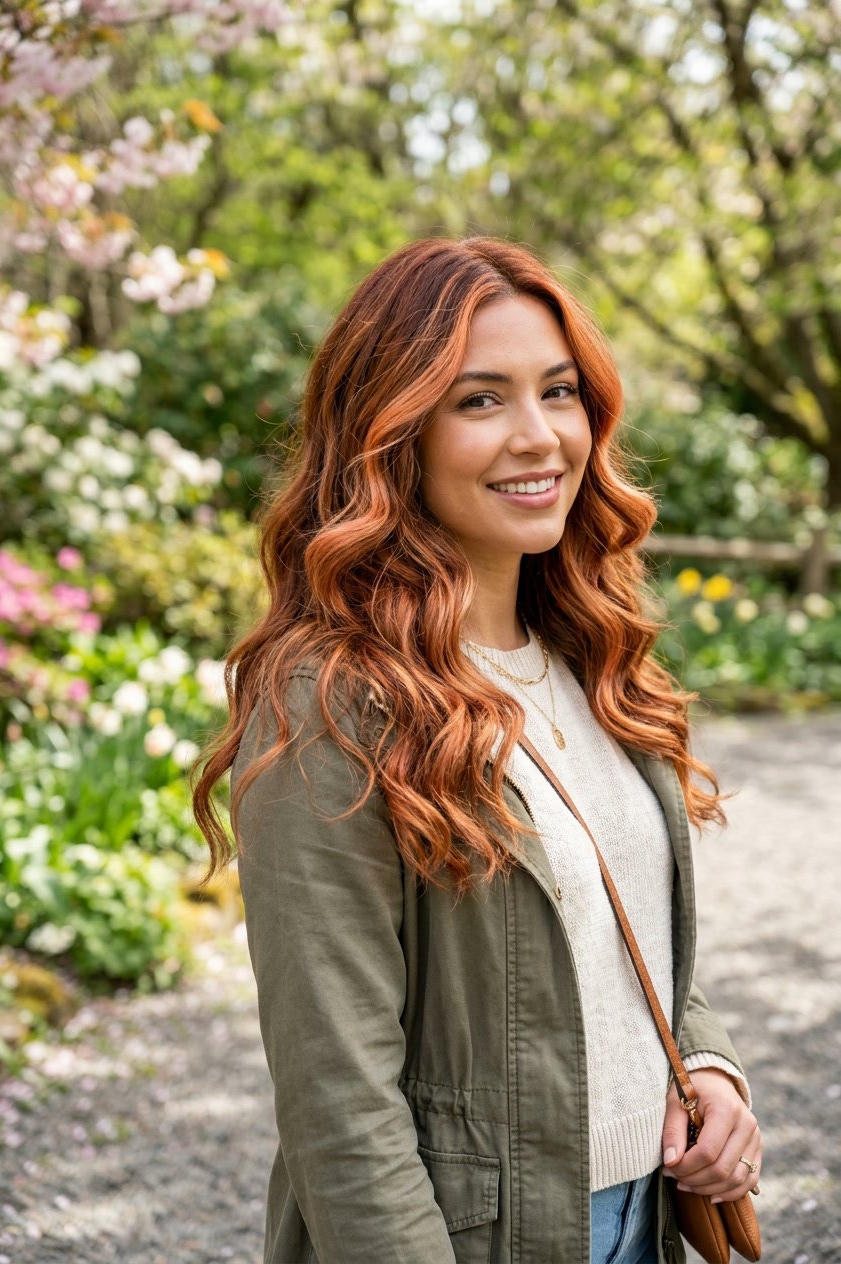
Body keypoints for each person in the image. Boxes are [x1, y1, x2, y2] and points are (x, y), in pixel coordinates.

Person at [192, 236, 763, 1264]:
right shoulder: (330, 699)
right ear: (389, 434)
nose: (538, 437)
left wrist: (708, 1064)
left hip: (644, 1220)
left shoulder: (588, 657)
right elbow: (338, 1099)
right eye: (478, 401)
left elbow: (612, 930)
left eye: (558, 391)